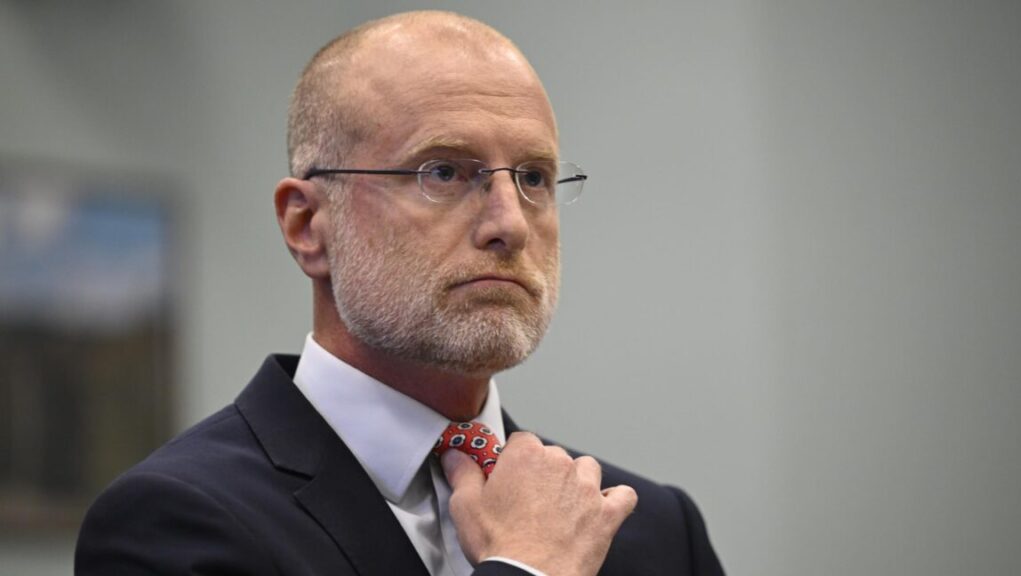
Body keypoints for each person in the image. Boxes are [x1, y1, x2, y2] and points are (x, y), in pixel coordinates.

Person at [75, 10, 724, 576]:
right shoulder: (174, 524)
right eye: (443, 171)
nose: (510, 224)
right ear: (307, 225)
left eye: (534, 176)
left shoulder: (652, 531)